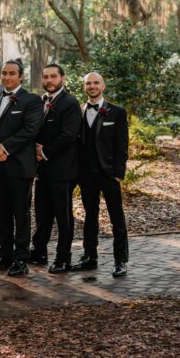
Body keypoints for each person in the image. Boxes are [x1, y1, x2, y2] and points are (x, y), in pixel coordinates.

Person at [0, 59, 44, 277]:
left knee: (21, 213)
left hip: (19, 167)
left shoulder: (32, 100)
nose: (7, 77)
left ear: (21, 76)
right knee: (1, 213)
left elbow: (30, 130)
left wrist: (4, 148)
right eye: (4, 73)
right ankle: (4, 254)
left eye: (12, 73)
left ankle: (21, 259)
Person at [72, 72, 129, 278]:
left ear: (103, 86)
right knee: (90, 217)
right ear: (84, 86)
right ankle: (89, 257)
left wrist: (118, 174)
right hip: (86, 175)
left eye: (96, 83)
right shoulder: (78, 111)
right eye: (88, 83)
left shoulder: (117, 112)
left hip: (109, 174)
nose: (92, 86)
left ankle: (120, 260)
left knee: (116, 218)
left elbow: (122, 146)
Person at [29, 63, 81, 274]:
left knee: (63, 215)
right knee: (42, 213)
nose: (49, 80)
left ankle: (63, 257)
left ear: (62, 78)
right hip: (42, 170)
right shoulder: (42, 101)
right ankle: (39, 251)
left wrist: (44, 151)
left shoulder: (69, 103)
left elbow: (69, 135)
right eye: (46, 77)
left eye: (53, 77)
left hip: (63, 169)